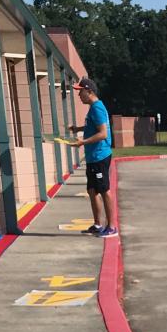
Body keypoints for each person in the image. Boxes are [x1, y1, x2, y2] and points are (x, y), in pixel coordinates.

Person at [68, 77, 116, 238]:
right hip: (93, 157)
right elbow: (92, 127)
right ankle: (97, 224)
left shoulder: (97, 108)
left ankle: (111, 227)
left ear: (89, 91)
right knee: (92, 190)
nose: (78, 95)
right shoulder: (93, 108)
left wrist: (83, 142)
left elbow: (103, 133)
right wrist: (78, 129)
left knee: (104, 190)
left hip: (99, 156)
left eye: (80, 91)